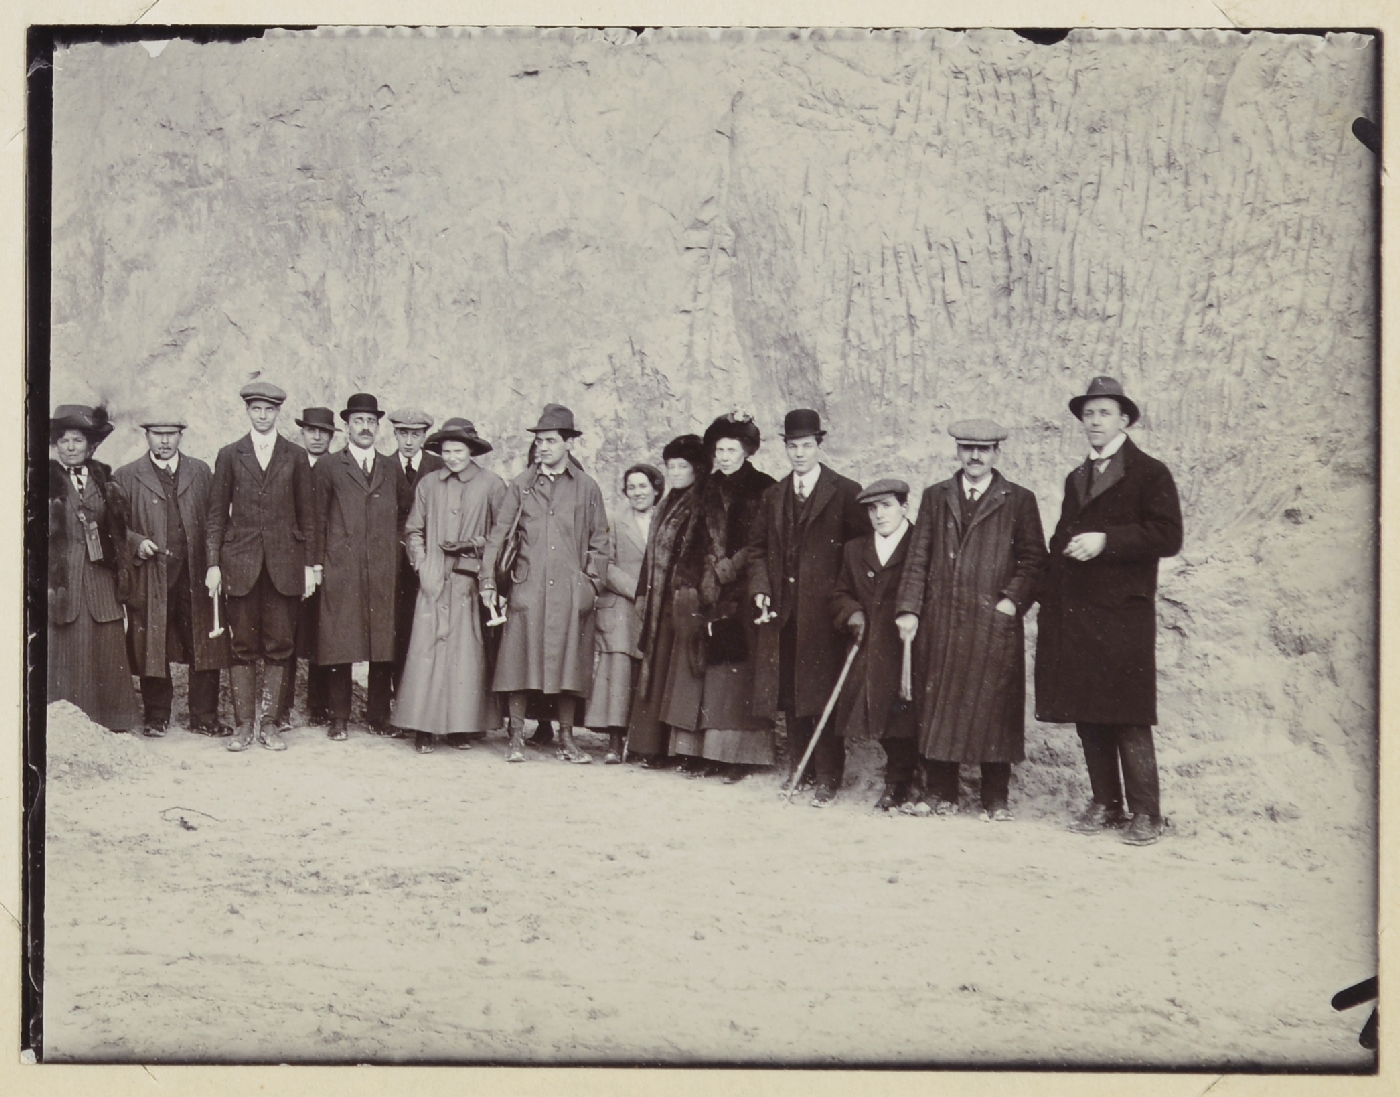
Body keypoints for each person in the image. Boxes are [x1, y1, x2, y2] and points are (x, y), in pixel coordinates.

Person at [1035, 377, 1183, 847]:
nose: (1094, 422)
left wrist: (1107, 541)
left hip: (1122, 615)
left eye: (1104, 413)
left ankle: (1147, 813)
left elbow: (1168, 536)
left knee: (1127, 712)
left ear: (1124, 420)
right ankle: (1105, 803)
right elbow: (1061, 537)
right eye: (1088, 414)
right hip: (1079, 612)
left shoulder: (1150, 473)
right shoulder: (1076, 477)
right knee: (1088, 711)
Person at [894, 421, 1048, 820]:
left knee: (994, 710)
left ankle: (995, 798)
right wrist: (909, 608)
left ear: (997, 453)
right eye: (967, 448)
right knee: (939, 705)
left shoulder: (1018, 499)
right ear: (958, 451)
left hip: (991, 622)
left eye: (983, 449)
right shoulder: (936, 496)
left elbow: (1034, 560)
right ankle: (940, 792)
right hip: (942, 620)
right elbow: (918, 556)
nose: (974, 456)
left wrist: (1011, 602)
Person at [749, 409, 870, 805]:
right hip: (784, 613)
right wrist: (761, 588)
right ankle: (800, 769)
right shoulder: (773, 496)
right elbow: (757, 550)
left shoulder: (846, 491)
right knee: (792, 695)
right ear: (784, 448)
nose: (799, 454)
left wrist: (850, 602)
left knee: (823, 694)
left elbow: (860, 552)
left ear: (819, 445)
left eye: (806, 445)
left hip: (826, 614)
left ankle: (828, 776)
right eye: (792, 446)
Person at [479, 404, 610, 764]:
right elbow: (498, 536)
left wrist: (590, 586)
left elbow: (600, 543)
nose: (543, 447)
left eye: (551, 440)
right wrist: (489, 581)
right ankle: (515, 737)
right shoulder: (521, 485)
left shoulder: (587, 487)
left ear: (569, 443)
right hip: (528, 588)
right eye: (539, 441)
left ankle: (567, 738)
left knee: (569, 665)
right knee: (519, 663)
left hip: (570, 591)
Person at [206, 381, 315, 752]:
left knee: (280, 644)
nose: (263, 416)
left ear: (278, 412)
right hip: (240, 563)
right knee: (241, 645)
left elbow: (308, 515)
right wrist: (213, 564)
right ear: (248, 411)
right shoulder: (229, 454)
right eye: (257, 409)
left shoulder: (295, 456)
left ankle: (270, 725)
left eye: (269, 410)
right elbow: (216, 514)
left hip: (284, 564)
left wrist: (309, 566)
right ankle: (243, 726)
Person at [115, 410, 231, 737]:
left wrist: (213, 562)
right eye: (157, 434)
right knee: (152, 642)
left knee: (205, 642)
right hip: (152, 574)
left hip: (195, 573)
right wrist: (137, 543)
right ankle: (156, 716)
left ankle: (204, 716)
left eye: (171, 434)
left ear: (181, 435)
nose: (164, 441)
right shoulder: (127, 476)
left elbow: (216, 518)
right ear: (146, 436)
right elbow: (116, 527)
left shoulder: (200, 471)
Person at [394, 418, 506, 754]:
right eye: (446, 451)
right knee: (426, 653)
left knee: (465, 655)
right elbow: (413, 529)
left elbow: (502, 534)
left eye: (458, 451)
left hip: (468, 580)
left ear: (471, 451)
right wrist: (422, 563)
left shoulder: (491, 484)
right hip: (434, 580)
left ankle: (461, 727)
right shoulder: (429, 484)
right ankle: (423, 727)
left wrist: (472, 545)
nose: (452, 457)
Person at [310, 393, 413, 741]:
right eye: (359, 421)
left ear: (377, 426)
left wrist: (394, 547)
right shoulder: (328, 467)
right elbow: (316, 520)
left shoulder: (390, 467)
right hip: (342, 568)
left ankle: (378, 716)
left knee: (382, 643)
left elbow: (406, 512)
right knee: (340, 641)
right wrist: (319, 564)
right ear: (347, 426)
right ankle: (338, 717)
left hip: (383, 569)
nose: (365, 427)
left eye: (371, 421)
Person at [691, 414, 777, 782]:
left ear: (746, 452)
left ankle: (744, 756)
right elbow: (697, 538)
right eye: (719, 451)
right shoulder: (706, 488)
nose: (724, 457)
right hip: (714, 590)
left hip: (748, 589)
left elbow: (766, 541)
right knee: (717, 673)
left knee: (744, 673)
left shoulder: (765, 487)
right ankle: (715, 753)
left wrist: (734, 565)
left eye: (731, 450)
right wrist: (709, 570)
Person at [47, 404, 141, 732]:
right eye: (64, 440)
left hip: (101, 578)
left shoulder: (104, 481)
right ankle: (69, 728)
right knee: (67, 648)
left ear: (90, 445)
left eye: (77, 440)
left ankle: (113, 722)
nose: (71, 447)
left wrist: (138, 543)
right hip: (63, 582)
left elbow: (117, 531)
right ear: (56, 444)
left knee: (106, 647)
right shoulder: (41, 480)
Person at [831, 479, 917, 810]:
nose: (879, 515)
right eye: (872, 509)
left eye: (887, 506)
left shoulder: (920, 545)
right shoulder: (856, 549)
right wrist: (851, 612)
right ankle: (898, 779)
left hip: (910, 645)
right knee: (880, 713)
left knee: (908, 714)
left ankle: (907, 780)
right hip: (871, 645)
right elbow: (840, 593)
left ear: (904, 508)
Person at [625, 435, 710, 771]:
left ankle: (679, 750)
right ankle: (651, 746)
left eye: (682, 466)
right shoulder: (665, 505)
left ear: (696, 469)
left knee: (680, 675)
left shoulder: (701, 503)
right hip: (659, 600)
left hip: (684, 600)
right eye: (671, 466)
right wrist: (643, 593)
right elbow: (651, 554)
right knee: (657, 669)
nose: (675, 473)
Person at [584, 462, 663, 764]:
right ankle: (615, 742)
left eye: (643, 486)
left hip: (658, 607)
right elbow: (605, 564)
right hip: (622, 605)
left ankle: (644, 743)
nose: (637, 492)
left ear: (656, 489)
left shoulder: (665, 519)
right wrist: (638, 591)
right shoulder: (614, 520)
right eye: (631, 487)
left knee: (650, 672)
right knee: (618, 674)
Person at [275, 407, 337, 728]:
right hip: (290, 562)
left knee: (323, 636)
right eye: (311, 430)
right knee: (286, 636)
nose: (317, 437)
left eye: (323, 432)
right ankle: (281, 708)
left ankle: (319, 706)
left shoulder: (337, 467)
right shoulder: (289, 464)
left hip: (328, 563)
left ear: (331, 436)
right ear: (302, 432)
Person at [387, 407, 444, 696]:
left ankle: (426, 699)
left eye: (416, 434)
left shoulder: (438, 466)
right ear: (395, 434)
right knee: (397, 630)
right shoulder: (383, 466)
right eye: (403, 434)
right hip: (393, 563)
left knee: (429, 630)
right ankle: (398, 697)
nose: (409, 441)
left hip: (429, 560)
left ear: (424, 436)